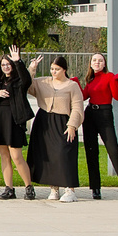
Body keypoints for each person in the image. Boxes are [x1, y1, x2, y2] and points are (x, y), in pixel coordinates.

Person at [81, 49, 118, 200]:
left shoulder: (110, 76)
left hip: (104, 114)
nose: (97, 62)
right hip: (90, 114)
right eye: (94, 60)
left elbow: (117, 96)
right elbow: (84, 96)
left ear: (104, 64)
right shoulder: (90, 79)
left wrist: (116, 81)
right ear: (90, 64)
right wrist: (75, 82)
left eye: (100, 60)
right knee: (91, 152)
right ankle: (95, 188)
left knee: (113, 150)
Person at [30, 56, 85, 202]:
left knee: (64, 154)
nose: (54, 72)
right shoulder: (43, 82)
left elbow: (78, 107)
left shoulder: (72, 86)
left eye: (57, 69)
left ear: (64, 70)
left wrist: (72, 125)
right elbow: (27, 84)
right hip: (44, 121)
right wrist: (32, 68)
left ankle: (70, 189)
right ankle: (54, 188)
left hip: (63, 123)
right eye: (52, 69)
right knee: (49, 155)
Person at [0, 46, 34, 198]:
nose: (6, 67)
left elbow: (27, 80)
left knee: (16, 156)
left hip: (14, 121)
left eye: (8, 64)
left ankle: (28, 187)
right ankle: (9, 189)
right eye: (3, 65)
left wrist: (18, 61)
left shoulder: (19, 81)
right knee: (4, 156)